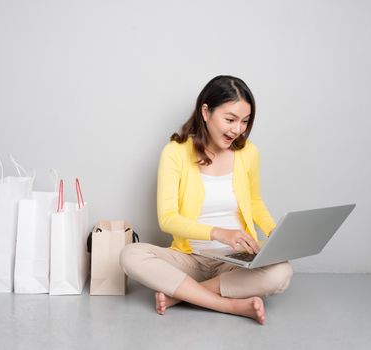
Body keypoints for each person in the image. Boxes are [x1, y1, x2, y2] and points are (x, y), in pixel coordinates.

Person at [120, 75, 293, 325]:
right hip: (189, 259)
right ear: (205, 112)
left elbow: (255, 202)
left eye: (245, 121)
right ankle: (229, 305)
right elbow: (167, 219)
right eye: (230, 119)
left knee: (281, 272)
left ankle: (181, 296)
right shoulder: (175, 153)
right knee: (130, 255)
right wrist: (219, 233)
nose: (238, 129)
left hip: (235, 261)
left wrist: (275, 232)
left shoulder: (248, 153)